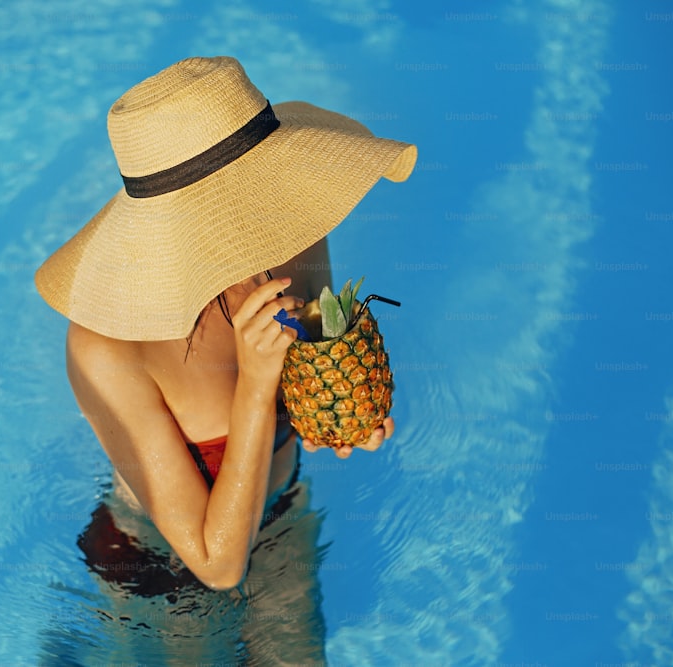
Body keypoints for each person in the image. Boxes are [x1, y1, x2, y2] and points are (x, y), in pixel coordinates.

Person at [34, 56, 417, 595]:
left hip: (282, 517)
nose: (267, 223)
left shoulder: (294, 231)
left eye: (265, 188)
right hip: (154, 567)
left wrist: (339, 414)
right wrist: (258, 386)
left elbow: (313, 349)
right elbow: (215, 565)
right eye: (243, 200)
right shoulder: (106, 347)